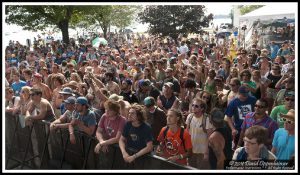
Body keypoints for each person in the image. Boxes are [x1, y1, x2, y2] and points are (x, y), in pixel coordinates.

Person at [225, 85, 257, 150]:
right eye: (243, 95)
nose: (245, 97)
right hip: (239, 129)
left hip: (252, 129)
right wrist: (233, 129)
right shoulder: (233, 102)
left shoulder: (253, 99)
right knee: (238, 149)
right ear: (238, 93)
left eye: (246, 95)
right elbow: (228, 117)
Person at [185, 98, 213, 169]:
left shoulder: (206, 119)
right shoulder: (189, 116)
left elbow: (209, 137)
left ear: (202, 109)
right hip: (191, 151)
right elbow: (186, 133)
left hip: (202, 152)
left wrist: (206, 153)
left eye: (196, 106)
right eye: (193, 105)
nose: (193, 107)